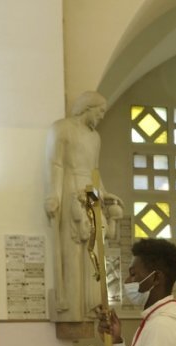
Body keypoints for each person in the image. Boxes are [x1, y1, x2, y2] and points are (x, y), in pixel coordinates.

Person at [45, 90, 124, 321]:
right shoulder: (62, 128)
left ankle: (90, 306)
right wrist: (53, 195)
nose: (100, 117)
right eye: (99, 112)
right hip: (70, 188)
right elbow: (55, 164)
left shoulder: (94, 137)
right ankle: (71, 308)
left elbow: (95, 172)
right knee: (72, 248)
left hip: (91, 192)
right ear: (87, 108)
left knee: (94, 248)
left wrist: (105, 194)